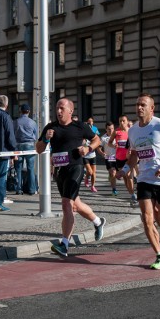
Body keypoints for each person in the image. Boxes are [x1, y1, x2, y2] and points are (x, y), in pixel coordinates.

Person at [116, 93, 160, 269]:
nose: (139, 108)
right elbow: (134, 154)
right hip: (145, 179)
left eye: (143, 105)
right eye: (137, 104)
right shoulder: (132, 131)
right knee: (147, 219)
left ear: (151, 108)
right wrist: (124, 170)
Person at [36, 98, 106, 257]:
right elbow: (39, 149)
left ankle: (64, 244)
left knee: (67, 203)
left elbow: (97, 139)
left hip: (76, 167)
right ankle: (98, 221)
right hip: (60, 171)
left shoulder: (80, 126)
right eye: (57, 108)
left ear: (70, 111)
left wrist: (88, 148)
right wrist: (46, 139)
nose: (58, 111)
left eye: (62, 108)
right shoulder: (50, 127)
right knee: (75, 204)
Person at [109, 115, 137, 206]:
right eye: (120, 121)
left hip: (128, 157)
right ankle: (131, 193)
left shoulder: (131, 131)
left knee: (129, 175)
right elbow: (109, 142)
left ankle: (133, 194)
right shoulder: (116, 131)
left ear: (127, 121)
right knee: (125, 177)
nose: (122, 123)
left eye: (123, 121)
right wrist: (114, 146)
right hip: (119, 158)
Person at [13, 104, 38, 195]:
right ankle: (32, 189)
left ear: (21, 111)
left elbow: (12, 134)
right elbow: (36, 135)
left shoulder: (15, 122)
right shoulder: (32, 122)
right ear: (29, 111)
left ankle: (19, 189)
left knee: (18, 168)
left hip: (18, 145)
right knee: (30, 168)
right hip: (29, 145)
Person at [98, 121, 118, 196]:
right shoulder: (103, 138)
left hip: (117, 157)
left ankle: (110, 176)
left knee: (116, 175)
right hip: (109, 157)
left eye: (112, 128)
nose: (111, 130)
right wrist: (102, 153)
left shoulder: (117, 135)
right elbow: (99, 148)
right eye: (109, 129)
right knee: (113, 173)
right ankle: (114, 190)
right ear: (106, 129)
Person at [84, 117, 101, 192]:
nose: (90, 123)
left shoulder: (95, 131)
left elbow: (98, 140)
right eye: (88, 122)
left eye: (91, 122)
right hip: (85, 156)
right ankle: (86, 178)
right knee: (90, 171)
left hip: (93, 155)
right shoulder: (83, 133)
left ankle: (93, 186)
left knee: (93, 173)